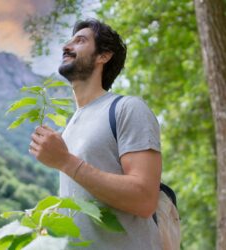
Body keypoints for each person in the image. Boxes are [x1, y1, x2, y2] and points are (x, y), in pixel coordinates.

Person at [29, 18, 162, 250]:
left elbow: (144, 199)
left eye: (80, 41)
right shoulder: (70, 127)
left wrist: (65, 161)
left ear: (104, 56)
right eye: (67, 41)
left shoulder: (127, 108)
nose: (66, 47)